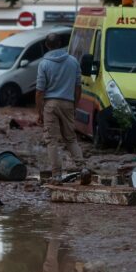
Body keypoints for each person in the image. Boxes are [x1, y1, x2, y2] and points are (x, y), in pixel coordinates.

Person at [36, 33, 83, 179]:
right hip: (68, 102)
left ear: (46, 45)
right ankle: (83, 169)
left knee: (52, 140)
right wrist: (74, 106)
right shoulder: (73, 61)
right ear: (61, 43)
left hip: (50, 104)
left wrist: (40, 113)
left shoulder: (44, 64)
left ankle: (56, 175)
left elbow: (39, 91)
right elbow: (78, 87)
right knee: (71, 139)